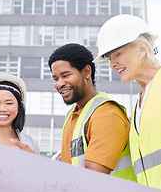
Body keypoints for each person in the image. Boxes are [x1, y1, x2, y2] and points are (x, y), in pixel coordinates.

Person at [93, 14, 161, 192]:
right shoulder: (137, 107)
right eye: (109, 57)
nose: (112, 63)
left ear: (142, 48)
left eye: (118, 53)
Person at [48, 43, 135, 179]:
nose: (59, 84)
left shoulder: (107, 114)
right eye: (55, 78)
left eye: (65, 75)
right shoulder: (73, 115)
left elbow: (92, 180)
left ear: (86, 72)